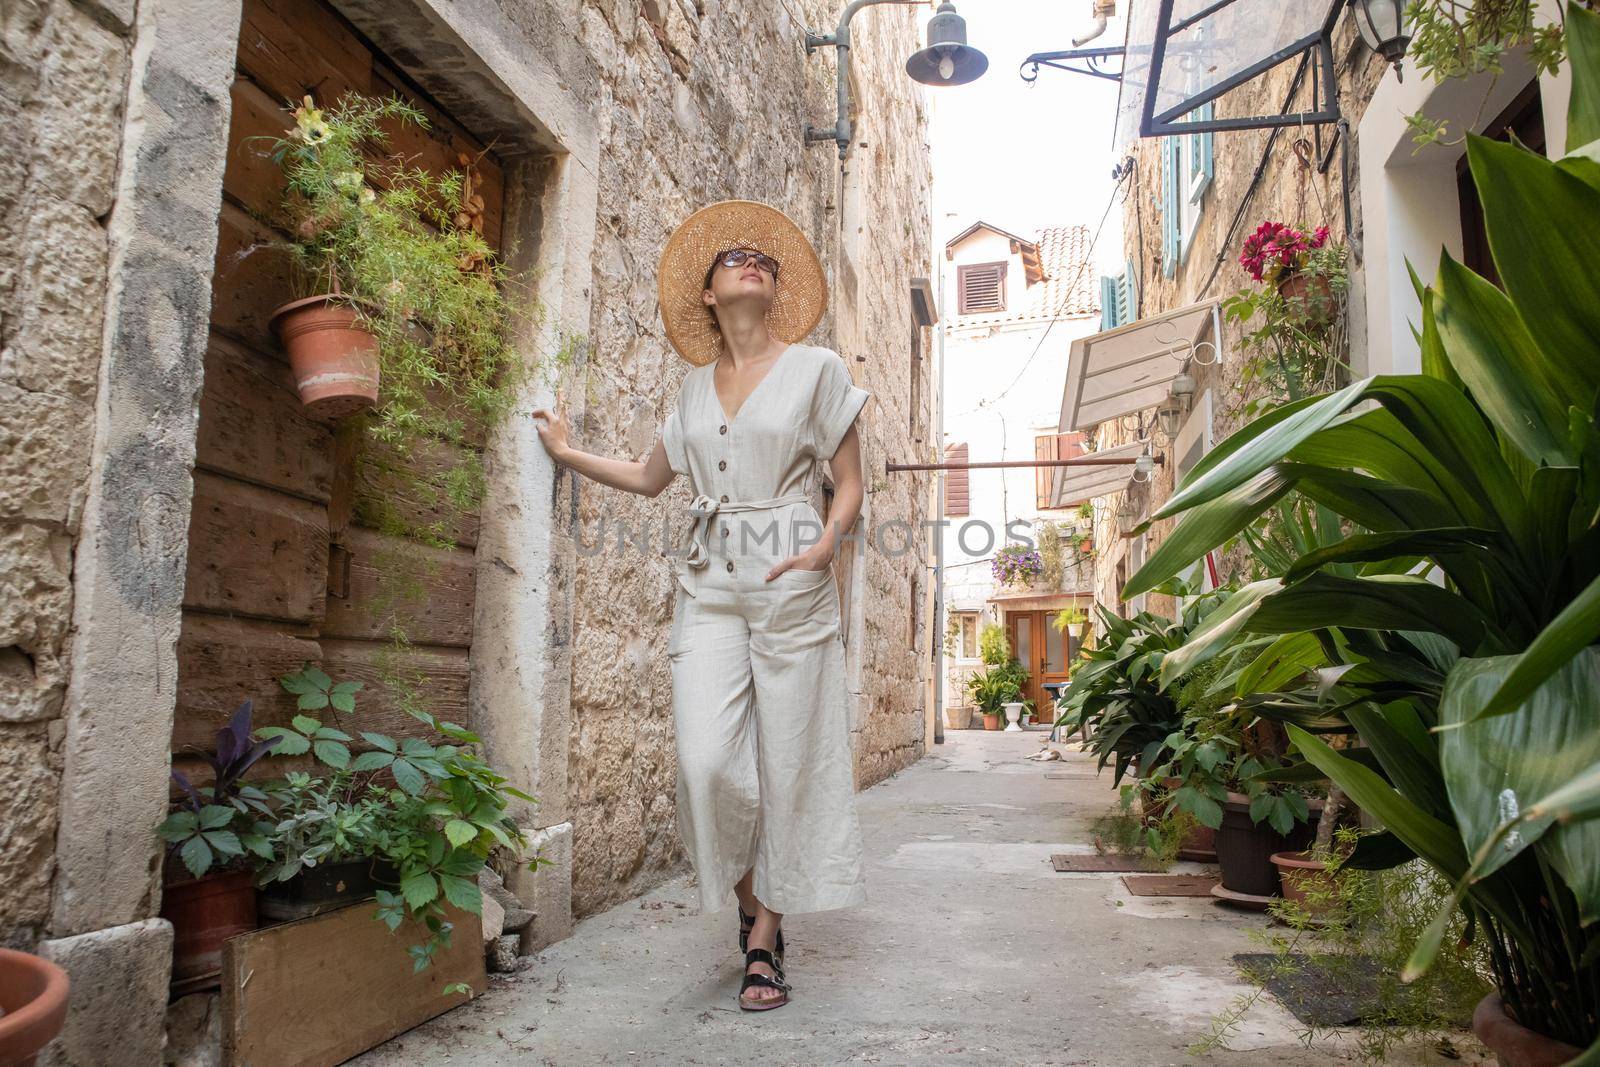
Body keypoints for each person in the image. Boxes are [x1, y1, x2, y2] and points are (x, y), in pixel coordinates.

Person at [529, 199, 871, 1011]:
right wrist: (568, 451)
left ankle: (763, 943)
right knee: (706, 761)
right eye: (734, 258)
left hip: (790, 568)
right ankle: (753, 899)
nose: (752, 262)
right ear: (710, 296)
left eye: (765, 259)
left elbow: (852, 481)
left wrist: (827, 543)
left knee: (790, 759)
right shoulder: (689, 387)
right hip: (709, 581)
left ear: (772, 288)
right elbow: (653, 477)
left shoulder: (819, 368)